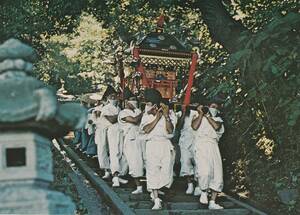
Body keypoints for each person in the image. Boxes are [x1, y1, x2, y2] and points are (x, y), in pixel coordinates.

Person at [141, 89, 176, 210]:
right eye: (149, 103)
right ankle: (156, 199)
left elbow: (170, 131)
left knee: (166, 173)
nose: (150, 105)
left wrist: (165, 116)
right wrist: (156, 117)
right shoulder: (147, 115)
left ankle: (158, 190)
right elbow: (145, 129)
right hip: (152, 145)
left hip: (165, 144)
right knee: (152, 171)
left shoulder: (171, 115)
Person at [192, 101, 225, 210]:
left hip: (213, 146)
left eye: (215, 107)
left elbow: (216, 127)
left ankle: (213, 202)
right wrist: (201, 114)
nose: (212, 108)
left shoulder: (219, 120)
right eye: (211, 106)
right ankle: (203, 191)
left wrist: (207, 116)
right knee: (204, 171)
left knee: (217, 173)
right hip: (201, 145)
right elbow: (194, 126)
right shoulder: (197, 116)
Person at [118, 96, 144, 193]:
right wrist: (142, 113)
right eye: (132, 99)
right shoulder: (123, 113)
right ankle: (139, 187)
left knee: (143, 161)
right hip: (130, 140)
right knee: (134, 161)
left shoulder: (137, 111)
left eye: (135, 100)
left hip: (141, 138)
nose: (134, 101)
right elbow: (134, 120)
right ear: (126, 101)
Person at [95, 87, 120, 179]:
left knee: (114, 150)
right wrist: (120, 116)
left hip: (113, 131)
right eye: (111, 96)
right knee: (102, 150)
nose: (113, 98)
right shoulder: (105, 108)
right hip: (102, 129)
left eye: (115, 96)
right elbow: (112, 120)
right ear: (107, 97)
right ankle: (106, 170)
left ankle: (115, 171)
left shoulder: (118, 107)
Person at [178, 104, 200, 195]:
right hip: (184, 141)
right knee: (185, 162)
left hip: (197, 140)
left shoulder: (197, 113)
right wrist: (183, 113)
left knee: (198, 163)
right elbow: (179, 127)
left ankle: (199, 185)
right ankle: (190, 184)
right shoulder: (180, 114)